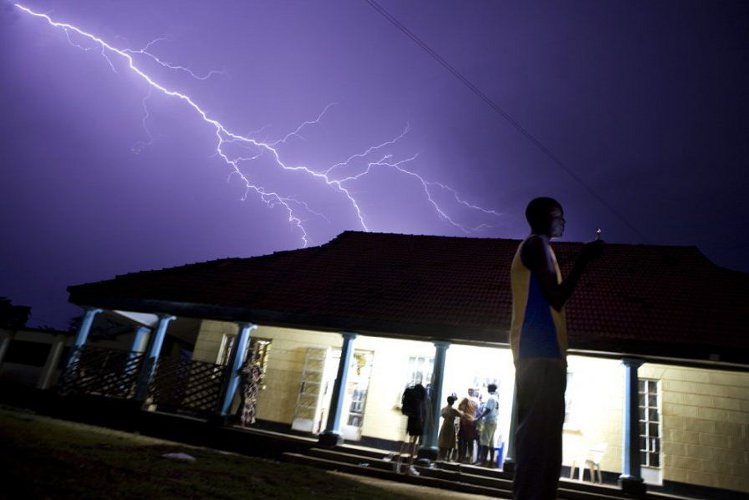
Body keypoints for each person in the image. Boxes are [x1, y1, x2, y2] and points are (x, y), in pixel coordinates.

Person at [510, 197, 603, 499]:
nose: (563, 222)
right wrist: (583, 261)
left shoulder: (543, 249)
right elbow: (557, 297)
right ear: (546, 218)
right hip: (539, 355)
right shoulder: (536, 246)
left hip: (545, 356)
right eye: (559, 216)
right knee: (539, 443)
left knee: (546, 444)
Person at [395, 383, 427, 476]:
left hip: (410, 419)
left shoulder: (411, 395)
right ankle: (409, 467)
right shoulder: (421, 397)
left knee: (405, 442)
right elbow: (422, 411)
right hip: (417, 420)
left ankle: (397, 464)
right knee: (413, 444)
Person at [476, 383, 499, 467]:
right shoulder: (496, 398)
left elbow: (488, 410)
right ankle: (491, 463)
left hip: (489, 421)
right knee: (491, 442)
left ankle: (483, 462)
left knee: (484, 442)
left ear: (489, 389)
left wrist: (478, 418)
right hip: (494, 421)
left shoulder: (490, 398)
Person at [438, 394, 463, 461]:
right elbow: (461, 415)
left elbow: (440, 415)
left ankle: (441, 456)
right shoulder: (454, 410)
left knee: (443, 440)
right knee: (451, 441)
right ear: (453, 402)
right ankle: (448, 456)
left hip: (444, 424)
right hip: (451, 425)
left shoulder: (443, 409)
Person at [457, 388, 479, 463]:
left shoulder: (466, 399)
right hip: (472, 422)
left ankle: (462, 457)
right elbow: (477, 411)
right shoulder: (476, 401)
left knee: (463, 440)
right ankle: (470, 457)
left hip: (465, 421)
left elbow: (460, 408)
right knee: (470, 440)